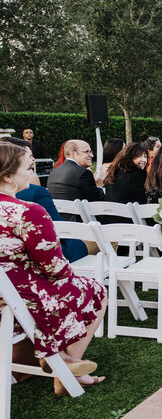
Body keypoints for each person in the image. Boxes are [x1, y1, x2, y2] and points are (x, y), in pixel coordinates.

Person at [0, 142, 107, 394]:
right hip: (19, 301)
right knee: (95, 291)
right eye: (27, 168)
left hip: (5, 298)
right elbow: (55, 268)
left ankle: (62, 361)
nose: (32, 172)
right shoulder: (27, 212)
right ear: (7, 177)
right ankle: (66, 368)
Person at [3, 137, 88, 262]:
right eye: (28, 158)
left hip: (11, 264)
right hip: (43, 258)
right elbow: (58, 230)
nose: (33, 160)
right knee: (108, 240)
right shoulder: (34, 196)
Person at [47, 140, 105, 215]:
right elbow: (96, 198)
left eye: (91, 152)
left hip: (59, 220)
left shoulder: (54, 172)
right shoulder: (83, 173)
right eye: (87, 152)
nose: (91, 155)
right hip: (81, 221)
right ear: (73, 153)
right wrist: (100, 185)